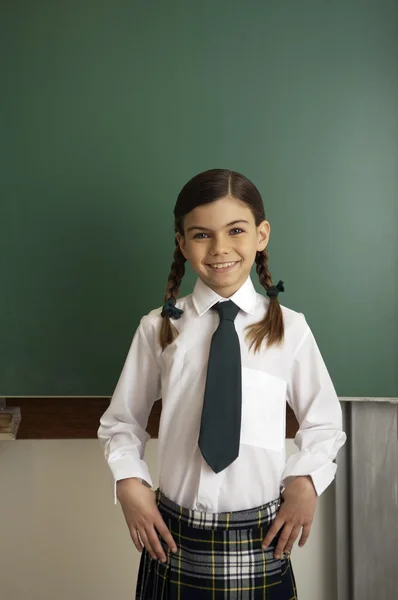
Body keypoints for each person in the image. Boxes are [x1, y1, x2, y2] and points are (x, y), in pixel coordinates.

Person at [98, 168, 346, 599]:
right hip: (173, 539)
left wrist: (306, 481)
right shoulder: (159, 328)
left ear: (261, 234)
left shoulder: (290, 329)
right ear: (182, 242)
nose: (220, 249)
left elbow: (324, 423)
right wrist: (129, 484)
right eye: (201, 235)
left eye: (236, 230)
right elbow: (122, 423)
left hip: (261, 538)